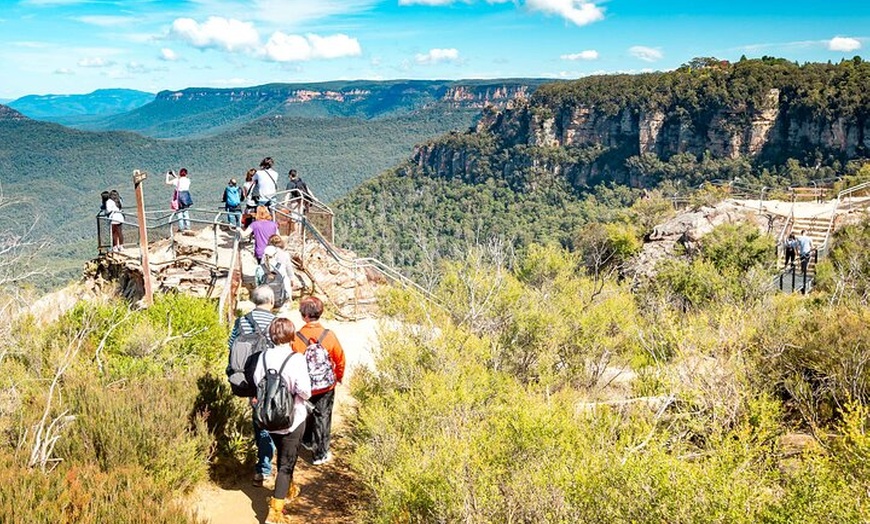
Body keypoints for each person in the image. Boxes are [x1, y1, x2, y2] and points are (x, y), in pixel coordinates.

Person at [254, 317, 311, 524]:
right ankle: (275, 511)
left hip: (270, 418)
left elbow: (257, 380)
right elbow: (305, 391)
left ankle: (288, 488)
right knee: (286, 465)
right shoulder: (296, 359)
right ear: (291, 335)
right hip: (292, 418)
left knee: (283, 456)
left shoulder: (263, 356)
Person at [227, 285, 277, 487]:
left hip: (248, 378)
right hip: (270, 379)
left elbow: (231, 345)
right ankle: (264, 467)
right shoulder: (276, 323)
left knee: (258, 419)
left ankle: (263, 465)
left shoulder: (242, 321)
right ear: (271, 301)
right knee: (270, 419)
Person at [290, 296, 345, 466]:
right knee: (323, 416)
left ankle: (306, 440)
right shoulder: (329, 336)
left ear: (303, 315)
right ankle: (320, 453)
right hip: (326, 386)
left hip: (305, 385)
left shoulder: (297, 337)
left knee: (306, 413)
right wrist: (338, 376)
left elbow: (292, 361)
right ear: (320, 313)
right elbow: (340, 358)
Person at [166, 168, 193, 233]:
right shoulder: (188, 180)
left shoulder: (176, 180)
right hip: (186, 196)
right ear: (186, 174)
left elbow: (167, 182)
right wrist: (174, 175)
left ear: (179, 173)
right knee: (186, 212)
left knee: (179, 213)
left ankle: (181, 228)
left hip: (179, 198)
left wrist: (167, 175)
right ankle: (188, 227)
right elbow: (180, 179)